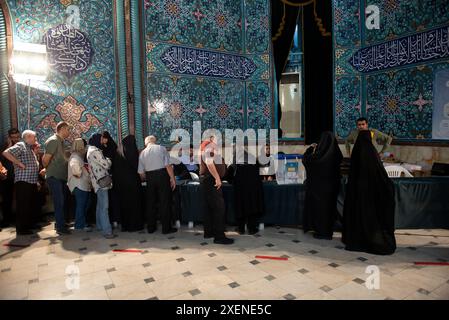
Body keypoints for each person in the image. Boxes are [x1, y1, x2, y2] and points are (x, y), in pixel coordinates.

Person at [342, 130, 396, 255]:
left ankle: (357, 237)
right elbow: (382, 177)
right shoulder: (372, 154)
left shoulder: (356, 153)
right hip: (371, 196)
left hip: (357, 194)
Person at [302, 131, 343, 240]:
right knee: (329, 209)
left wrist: (310, 149)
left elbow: (306, 159)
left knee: (320, 210)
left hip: (318, 190)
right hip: (332, 189)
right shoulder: (337, 156)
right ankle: (328, 231)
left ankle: (321, 232)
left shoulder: (318, 157)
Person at [2, 130, 40, 235]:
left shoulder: (29, 148)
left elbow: (34, 163)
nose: (36, 139)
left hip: (31, 181)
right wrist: (18, 163)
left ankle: (29, 224)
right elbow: (6, 153)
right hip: (23, 181)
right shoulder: (21, 145)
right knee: (23, 205)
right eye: (34, 137)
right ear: (27, 137)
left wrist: (36, 153)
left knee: (30, 205)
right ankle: (22, 229)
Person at [138, 135, 177, 234]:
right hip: (162, 175)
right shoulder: (161, 148)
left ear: (146, 143)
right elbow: (168, 165)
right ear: (154, 141)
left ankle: (151, 228)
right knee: (164, 202)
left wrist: (148, 178)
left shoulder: (142, 153)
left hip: (150, 177)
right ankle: (166, 228)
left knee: (150, 203)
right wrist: (172, 178)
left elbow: (141, 173)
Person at [199, 137, 234, 244]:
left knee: (209, 208)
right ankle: (219, 237)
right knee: (219, 208)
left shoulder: (203, 148)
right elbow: (209, 163)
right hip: (212, 180)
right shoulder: (209, 147)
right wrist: (217, 178)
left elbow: (201, 169)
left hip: (207, 180)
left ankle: (209, 232)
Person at [42, 121, 71, 235]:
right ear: (62, 129)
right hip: (54, 177)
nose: (69, 132)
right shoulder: (54, 141)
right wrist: (48, 168)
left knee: (62, 201)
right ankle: (60, 227)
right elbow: (45, 160)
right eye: (68, 130)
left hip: (60, 177)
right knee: (59, 202)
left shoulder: (60, 142)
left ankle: (60, 223)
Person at [113, 135, 144, 232]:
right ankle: (135, 226)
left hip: (121, 185)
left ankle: (125, 226)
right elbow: (138, 169)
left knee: (124, 205)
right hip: (133, 184)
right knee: (134, 204)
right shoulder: (132, 153)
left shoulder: (118, 154)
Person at [87, 133, 115, 239]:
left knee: (100, 206)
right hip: (101, 181)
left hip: (96, 182)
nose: (102, 140)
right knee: (104, 207)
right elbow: (106, 164)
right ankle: (107, 231)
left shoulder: (90, 150)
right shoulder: (95, 151)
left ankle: (100, 226)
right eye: (101, 138)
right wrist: (109, 159)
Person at [232, 147, 264, 235]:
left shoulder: (236, 158)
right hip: (253, 186)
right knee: (252, 204)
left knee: (240, 205)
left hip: (241, 186)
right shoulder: (253, 158)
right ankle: (252, 229)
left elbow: (232, 171)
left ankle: (241, 229)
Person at [68, 138, 92, 231]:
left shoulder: (78, 156)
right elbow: (76, 170)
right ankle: (79, 225)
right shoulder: (75, 157)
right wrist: (81, 171)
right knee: (81, 205)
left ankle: (82, 223)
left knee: (85, 204)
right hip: (79, 185)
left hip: (83, 185)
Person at [0, 128, 21, 227]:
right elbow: (2, 159)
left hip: (20, 175)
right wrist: (8, 145)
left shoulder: (21, 145)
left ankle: (20, 219)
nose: (15, 139)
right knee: (7, 198)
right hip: (8, 176)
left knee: (21, 197)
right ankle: (6, 219)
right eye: (13, 138)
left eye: (17, 137)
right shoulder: (4, 146)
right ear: (9, 137)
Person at [100, 131, 120, 228]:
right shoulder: (103, 148)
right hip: (107, 177)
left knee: (113, 199)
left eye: (103, 138)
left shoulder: (111, 147)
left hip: (113, 177)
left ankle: (115, 219)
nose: (102, 140)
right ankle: (112, 220)